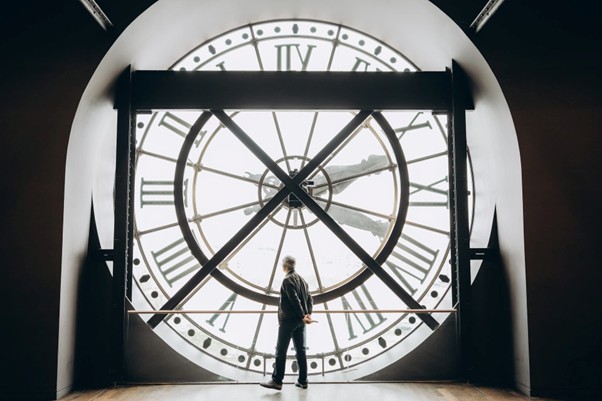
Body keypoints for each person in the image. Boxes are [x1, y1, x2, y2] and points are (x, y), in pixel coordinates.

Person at [260, 255, 314, 390]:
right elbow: (310, 298)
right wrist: (307, 315)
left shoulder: (287, 281)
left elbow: (293, 299)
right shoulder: (302, 280)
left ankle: (277, 380)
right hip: (301, 322)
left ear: (284, 267)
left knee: (281, 350)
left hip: (288, 320)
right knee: (301, 351)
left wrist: (302, 315)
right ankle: (303, 380)